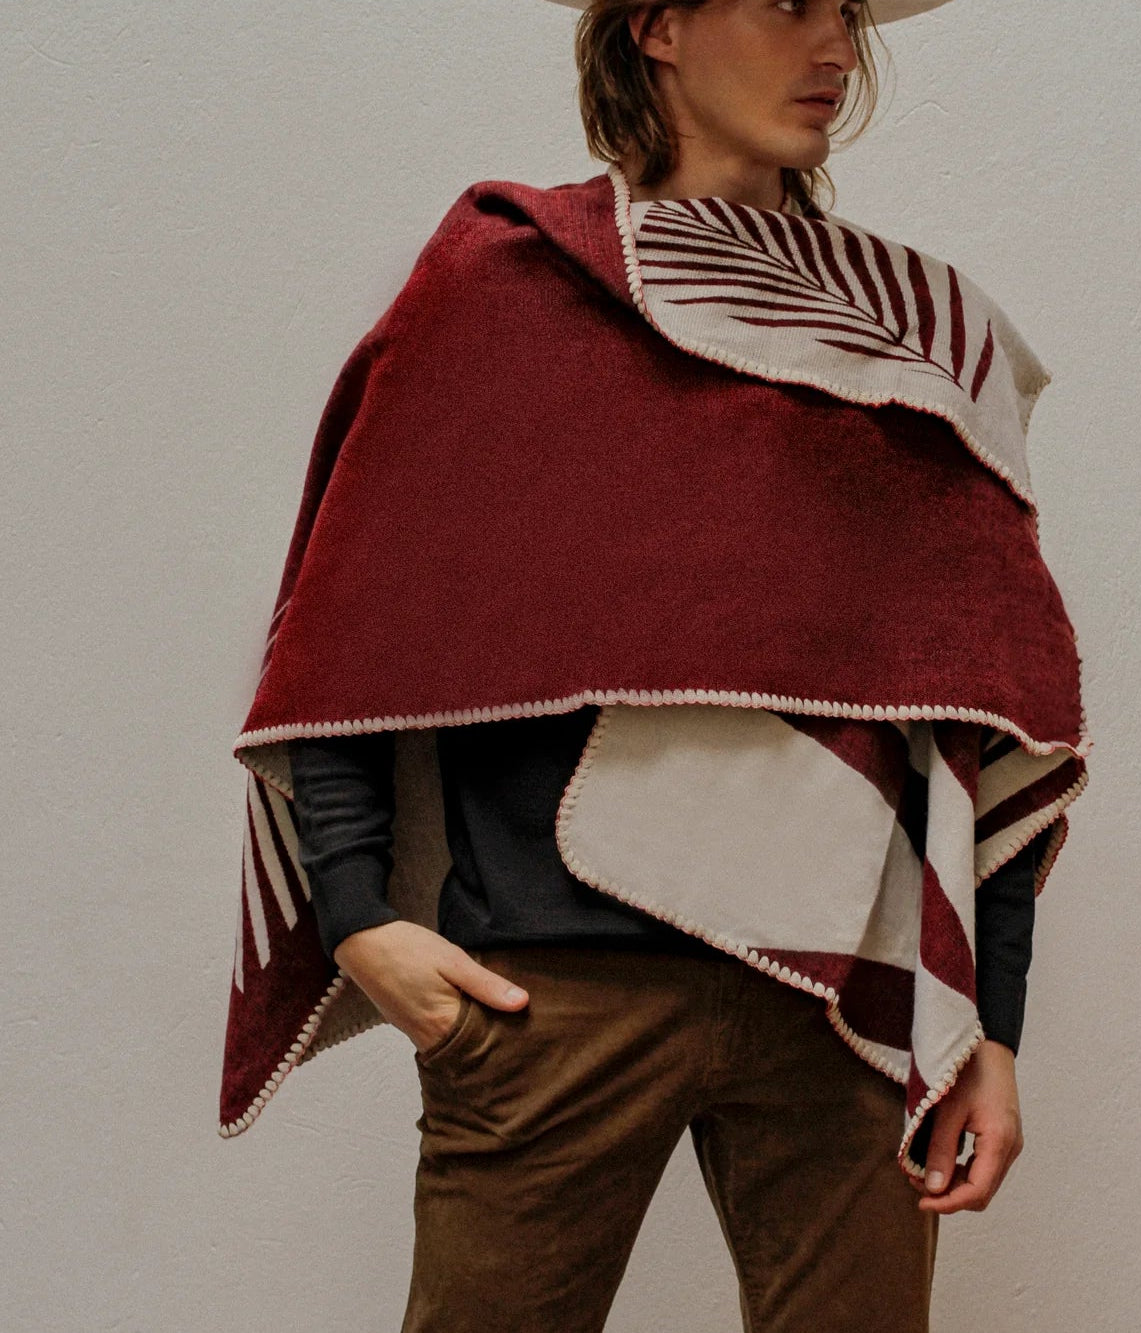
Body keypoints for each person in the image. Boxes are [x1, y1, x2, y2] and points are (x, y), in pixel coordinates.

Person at [219, 2, 1091, 1329]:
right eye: (791, 4)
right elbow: (357, 621)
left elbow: (979, 704)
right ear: (662, 26)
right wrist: (357, 914)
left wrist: (994, 1022)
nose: (837, 49)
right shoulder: (508, 279)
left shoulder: (915, 337)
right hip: (549, 987)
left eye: (847, 14)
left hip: (847, 999)